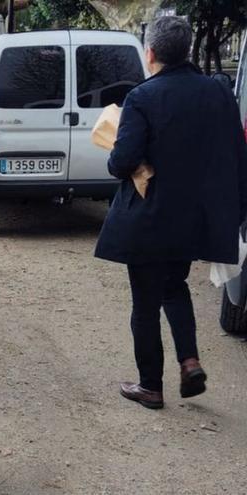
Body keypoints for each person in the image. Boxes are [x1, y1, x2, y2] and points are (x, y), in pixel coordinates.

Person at [95, 16, 247, 410]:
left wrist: (114, 151)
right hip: (193, 220)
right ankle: (190, 361)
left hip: (148, 218)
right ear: (189, 50)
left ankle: (150, 386)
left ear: (150, 52)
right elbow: (236, 156)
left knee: (144, 304)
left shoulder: (142, 97)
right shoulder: (218, 93)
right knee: (174, 287)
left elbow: (122, 160)